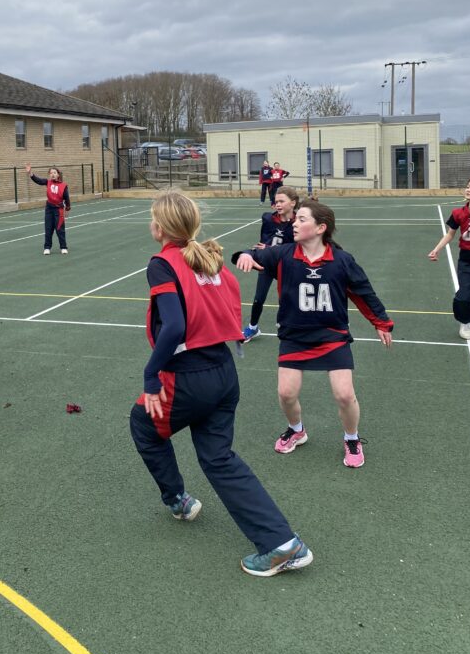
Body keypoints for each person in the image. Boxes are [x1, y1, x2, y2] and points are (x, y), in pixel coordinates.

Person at [130, 190, 313, 578]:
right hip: (224, 373)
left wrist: (150, 376)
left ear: (160, 227)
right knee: (219, 458)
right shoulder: (209, 257)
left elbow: (175, 325)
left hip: (189, 377)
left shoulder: (162, 263)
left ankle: (178, 499)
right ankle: (282, 543)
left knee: (143, 425)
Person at [235, 199, 393, 469]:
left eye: (302, 219)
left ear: (321, 227)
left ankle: (352, 438)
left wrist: (381, 322)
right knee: (286, 393)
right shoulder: (283, 254)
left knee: (344, 394)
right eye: (295, 219)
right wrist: (244, 256)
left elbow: (363, 292)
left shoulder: (341, 260)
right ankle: (297, 430)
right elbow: (248, 254)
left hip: (332, 336)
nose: (295, 223)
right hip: (294, 336)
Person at [242, 185, 300, 342]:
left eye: (282, 201)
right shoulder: (268, 219)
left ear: (293, 203)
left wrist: (271, 248)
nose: (278, 204)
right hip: (268, 264)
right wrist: (262, 251)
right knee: (258, 298)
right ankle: (253, 327)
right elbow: (263, 242)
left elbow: (297, 247)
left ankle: (291, 325)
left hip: (288, 265)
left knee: (287, 298)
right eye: (276, 201)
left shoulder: (299, 222)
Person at [428, 177, 470, 339]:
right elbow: (450, 234)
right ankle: (466, 322)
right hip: (467, 260)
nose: (469, 189)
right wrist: (436, 249)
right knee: (463, 297)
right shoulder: (458, 213)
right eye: (468, 186)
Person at [25, 163, 71, 254]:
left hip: (59, 210)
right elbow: (38, 180)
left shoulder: (63, 185)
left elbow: (67, 198)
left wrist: (67, 209)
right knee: (48, 228)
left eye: (54, 172)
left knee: (60, 229)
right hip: (49, 209)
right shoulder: (47, 182)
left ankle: (63, 247)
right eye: (51, 173)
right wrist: (30, 173)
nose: (53, 174)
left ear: (58, 174)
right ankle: (47, 247)